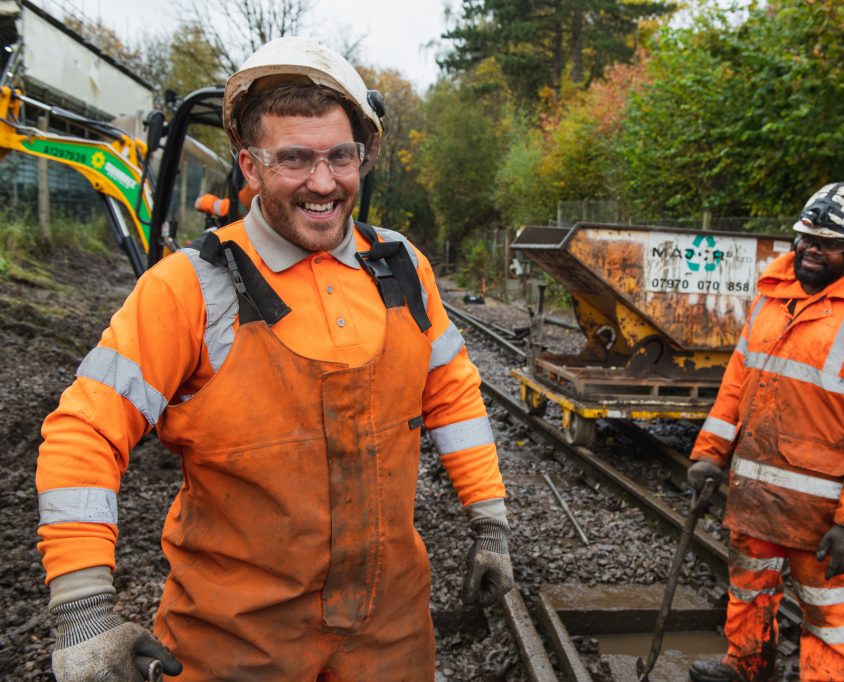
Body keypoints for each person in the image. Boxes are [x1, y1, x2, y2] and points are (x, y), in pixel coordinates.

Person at [36, 36, 513, 681]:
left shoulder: (402, 268)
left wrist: (488, 521)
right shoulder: (190, 288)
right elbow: (84, 433)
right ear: (251, 166)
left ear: (362, 156)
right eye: (295, 159)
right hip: (234, 646)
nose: (324, 182)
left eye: (341, 156)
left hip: (391, 636)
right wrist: (83, 605)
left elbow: (453, 394)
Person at [686, 182, 844, 682]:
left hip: (820, 511)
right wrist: (710, 454)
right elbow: (735, 385)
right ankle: (745, 664)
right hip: (755, 495)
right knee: (749, 588)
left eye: (828, 243)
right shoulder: (772, 302)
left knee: (831, 614)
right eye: (806, 238)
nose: (812, 249)